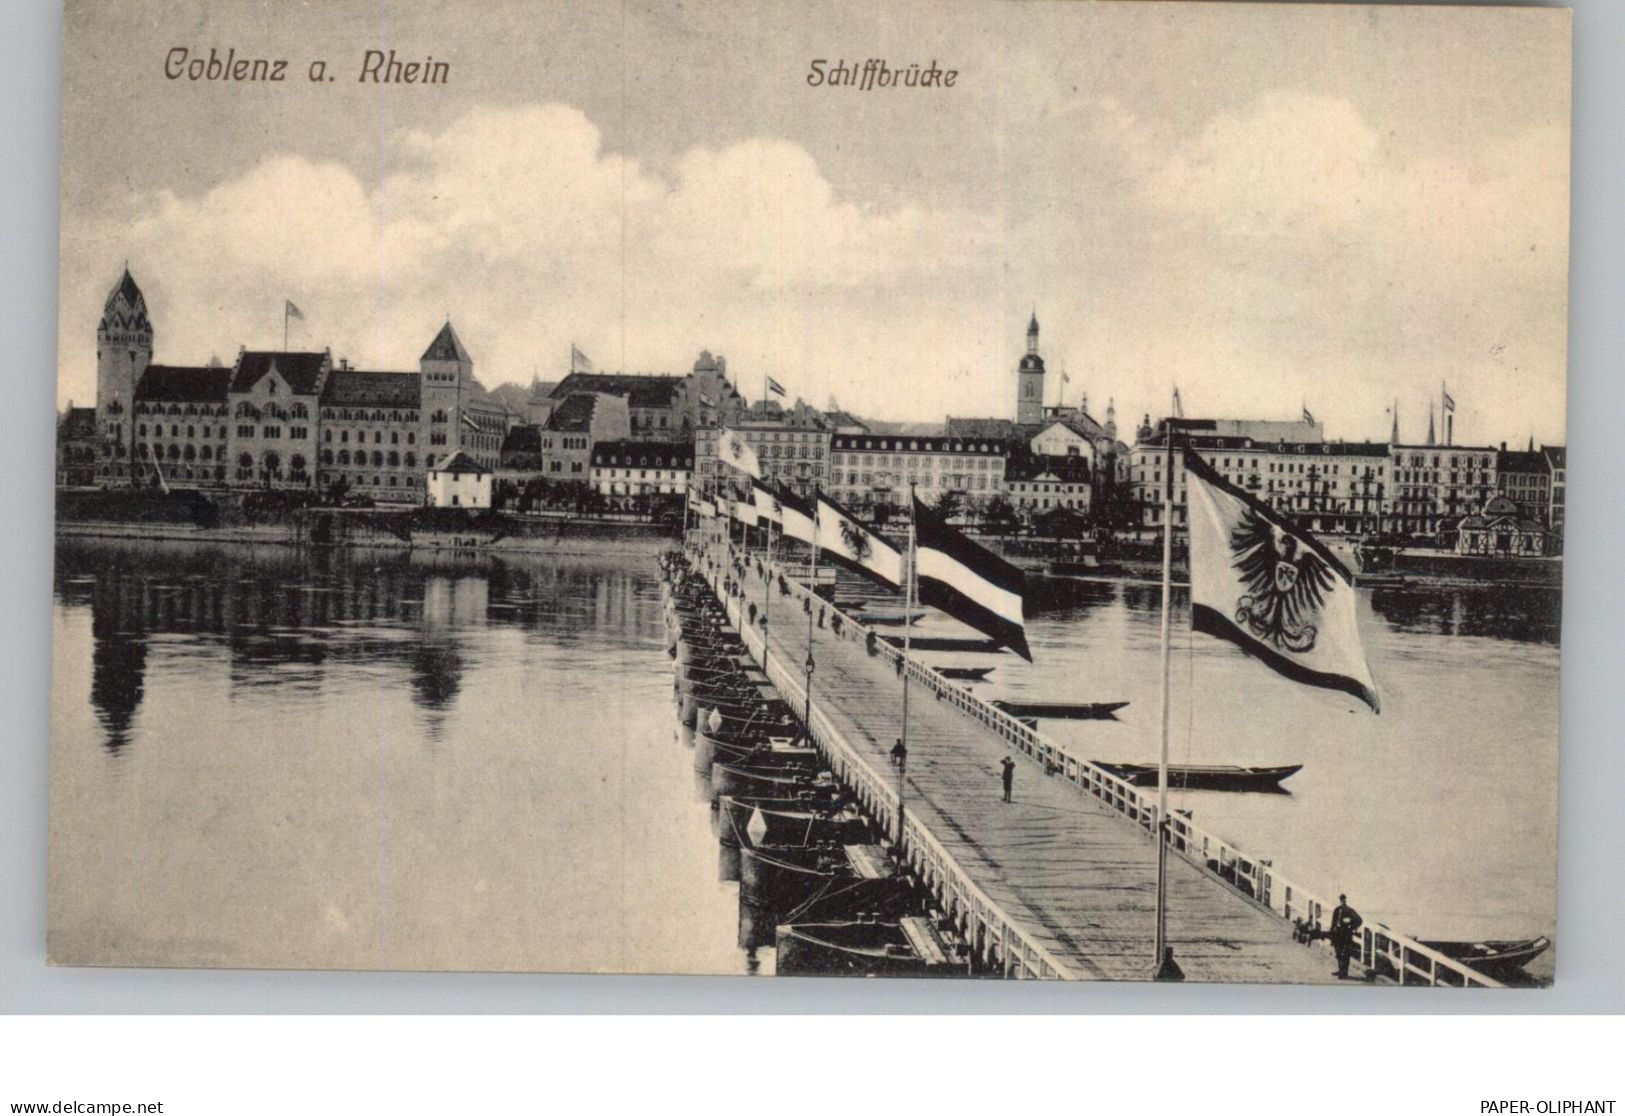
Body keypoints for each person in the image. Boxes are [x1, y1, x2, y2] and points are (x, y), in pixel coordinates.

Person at [1328, 894, 1363, 979]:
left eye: (1343, 899)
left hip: (1346, 934)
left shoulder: (1350, 910)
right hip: (1337, 934)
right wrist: (1332, 933)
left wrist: (1351, 927)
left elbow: (1359, 920)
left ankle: (1344, 973)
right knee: (1338, 952)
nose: (1341, 901)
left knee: (1345, 953)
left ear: (1345, 900)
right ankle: (1340, 970)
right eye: (1340, 899)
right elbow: (1333, 922)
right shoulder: (1337, 910)